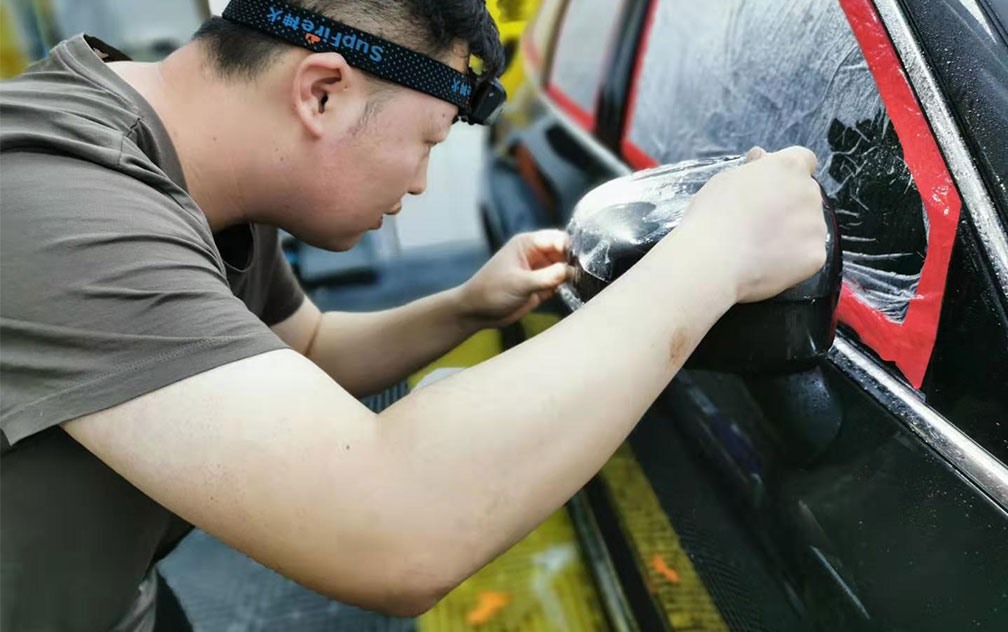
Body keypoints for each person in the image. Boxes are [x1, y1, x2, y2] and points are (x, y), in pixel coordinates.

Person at [0, 0, 828, 629]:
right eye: (429, 142)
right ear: (322, 93)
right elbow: (394, 524)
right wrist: (718, 251)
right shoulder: (57, 198)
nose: (424, 183)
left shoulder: (203, 170)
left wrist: (468, 306)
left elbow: (307, 350)